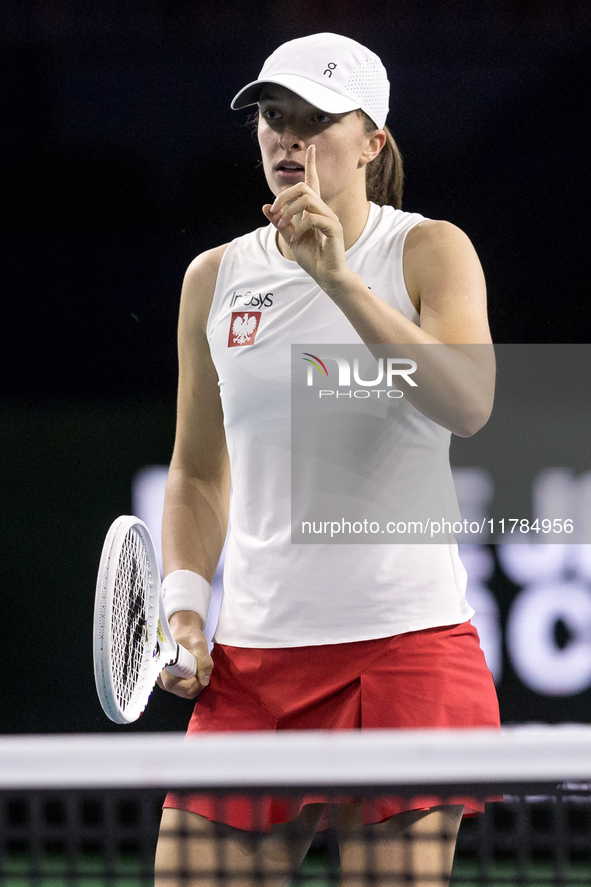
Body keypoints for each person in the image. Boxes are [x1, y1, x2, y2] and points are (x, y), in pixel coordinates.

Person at [154, 32, 500, 887]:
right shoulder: (214, 278)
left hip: (405, 653)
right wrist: (186, 605)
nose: (287, 137)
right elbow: (199, 470)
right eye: (274, 115)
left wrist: (339, 281)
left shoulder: (428, 250)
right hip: (253, 668)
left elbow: (469, 403)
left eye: (315, 117)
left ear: (372, 140)